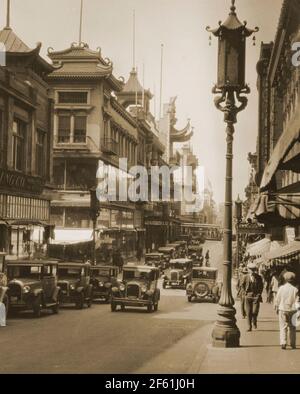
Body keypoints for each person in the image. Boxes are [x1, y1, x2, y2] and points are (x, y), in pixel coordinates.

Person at [274, 272, 300, 350]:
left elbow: (277, 299)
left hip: (282, 309)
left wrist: (276, 306)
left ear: (285, 279)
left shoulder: (281, 288)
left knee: (283, 326)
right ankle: (292, 343)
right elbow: (297, 300)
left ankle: (283, 342)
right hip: (292, 310)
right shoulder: (295, 289)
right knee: (292, 327)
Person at [241, 262, 264, 331]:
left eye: (253, 269)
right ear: (248, 270)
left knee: (255, 311)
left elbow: (261, 286)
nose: (252, 271)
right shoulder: (245, 277)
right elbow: (242, 285)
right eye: (251, 269)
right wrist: (244, 292)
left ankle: (254, 321)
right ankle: (249, 326)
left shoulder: (259, 277)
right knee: (248, 312)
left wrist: (259, 294)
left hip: (256, 296)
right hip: (248, 296)